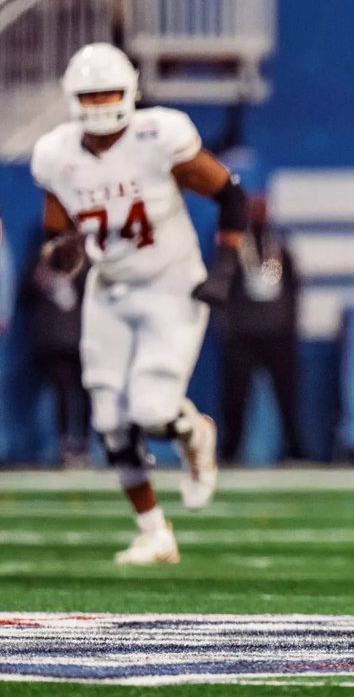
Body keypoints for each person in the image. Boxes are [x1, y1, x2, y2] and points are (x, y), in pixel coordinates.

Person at [31, 42, 246, 565]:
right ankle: (154, 532)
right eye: (90, 95)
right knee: (108, 418)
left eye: (108, 92)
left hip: (170, 284)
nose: (100, 104)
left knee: (151, 409)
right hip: (109, 289)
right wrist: (61, 253)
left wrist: (222, 270)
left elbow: (231, 195)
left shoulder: (158, 137)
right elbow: (57, 237)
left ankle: (196, 432)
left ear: (129, 92)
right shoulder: (56, 155)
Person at [218, 194, 304, 463]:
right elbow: (222, 287)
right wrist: (230, 325)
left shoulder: (279, 248)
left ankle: (293, 448)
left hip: (277, 333)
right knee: (235, 397)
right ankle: (231, 450)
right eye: (253, 209)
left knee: (287, 396)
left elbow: (294, 288)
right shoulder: (235, 249)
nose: (258, 214)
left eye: (262, 209)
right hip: (243, 333)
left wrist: (289, 323)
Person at [22, 242, 92, 465]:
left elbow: (94, 290)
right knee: (62, 391)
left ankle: (83, 444)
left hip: (82, 336)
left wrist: (73, 278)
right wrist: (43, 279)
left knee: (85, 392)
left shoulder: (86, 255)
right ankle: (66, 445)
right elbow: (26, 291)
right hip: (54, 340)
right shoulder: (41, 256)